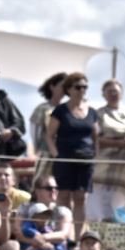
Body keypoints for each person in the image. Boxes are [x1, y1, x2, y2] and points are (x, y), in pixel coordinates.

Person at [46, 71, 99, 227]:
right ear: (69, 89)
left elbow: (96, 137)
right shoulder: (60, 111)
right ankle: (65, 235)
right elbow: (49, 135)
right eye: (78, 87)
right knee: (63, 196)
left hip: (86, 160)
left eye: (85, 87)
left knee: (81, 197)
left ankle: (77, 238)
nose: (81, 90)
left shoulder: (92, 112)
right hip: (65, 158)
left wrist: (96, 156)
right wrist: (57, 155)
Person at [90, 79, 125, 222]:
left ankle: (120, 234)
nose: (113, 94)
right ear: (103, 94)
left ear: (121, 93)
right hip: (104, 166)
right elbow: (95, 139)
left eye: (116, 91)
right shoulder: (99, 114)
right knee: (102, 205)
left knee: (122, 204)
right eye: (109, 91)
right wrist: (120, 143)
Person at [28, 72, 66, 177]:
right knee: (42, 183)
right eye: (61, 86)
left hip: (63, 155)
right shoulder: (42, 109)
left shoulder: (67, 109)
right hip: (46, 153)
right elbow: (35, 133)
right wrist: (39, 150)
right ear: (52, 86)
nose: (64, 89)